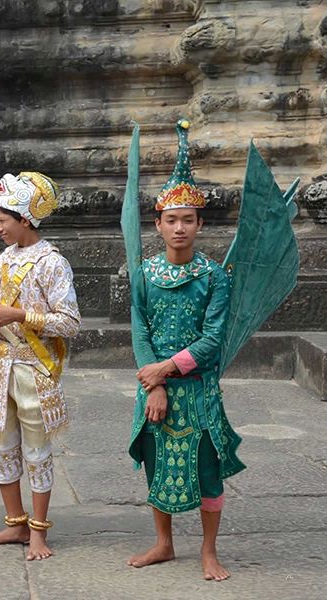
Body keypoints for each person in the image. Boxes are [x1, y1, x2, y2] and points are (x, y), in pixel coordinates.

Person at [126, 120, 244, 581]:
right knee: (156, 464)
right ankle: (163, 542)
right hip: (152, 386)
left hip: (198, 386)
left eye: (188, 220)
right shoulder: (144, 273)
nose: (179, 228)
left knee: (208, 468)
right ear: (157, 224)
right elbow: (139, 330)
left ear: (200, 224)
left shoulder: (214, 276)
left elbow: (213, 339)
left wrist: (166, 371)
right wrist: (151, 382)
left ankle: (209, 550)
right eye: (170, 220)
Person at [0, 171, 80, 560]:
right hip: (0, 365)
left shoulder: (52, 263)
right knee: (1, 448)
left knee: (37, 450)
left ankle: (38, 532)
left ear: (25, 219)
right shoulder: (4, 259)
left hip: (34, 368)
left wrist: (19, 314)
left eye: (3, 221)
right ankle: (14, 523)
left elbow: (69, 322)